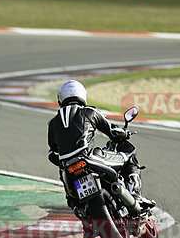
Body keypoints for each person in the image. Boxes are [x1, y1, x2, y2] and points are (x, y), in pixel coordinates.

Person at [47, 80, 153, 223]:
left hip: (68, 169)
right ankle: (135, 195)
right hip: (90, 159)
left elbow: (53, 151)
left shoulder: (53, 123)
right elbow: (112, 130)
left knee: (69, 193)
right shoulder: (90, 111)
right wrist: (124, 133)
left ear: (60, 99)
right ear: (82, 96)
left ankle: (84, 214)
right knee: (129, 155)